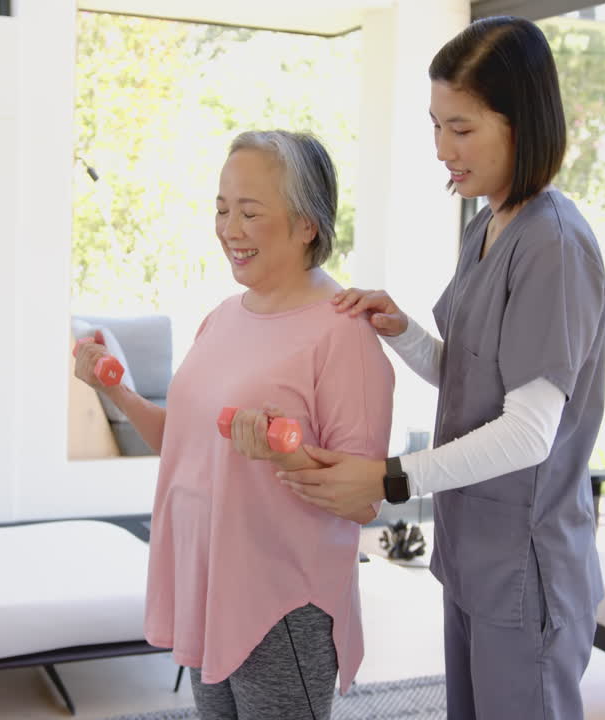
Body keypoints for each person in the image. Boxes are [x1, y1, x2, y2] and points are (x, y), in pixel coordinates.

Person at [276, 16, 605, 720]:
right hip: (475, 559)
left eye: (461, 129)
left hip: (526, 571)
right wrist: (403, 334)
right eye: (435, 127)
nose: (441, 150)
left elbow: (528, 433)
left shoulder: (552, 243)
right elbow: (475, 381)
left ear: (522, 122)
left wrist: (393, 477)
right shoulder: (490, 223)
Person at [74, 130, 394, 720]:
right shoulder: (222, 318)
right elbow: (184, 444)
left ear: (307, 225)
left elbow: (363, 504)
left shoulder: (342, 332)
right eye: (222, 210)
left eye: (249, 212)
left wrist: (284, 455)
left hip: (282, 604)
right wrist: (114, 390)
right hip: (208, 577)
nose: (229, 229)